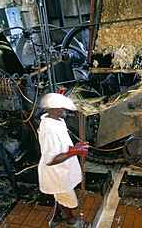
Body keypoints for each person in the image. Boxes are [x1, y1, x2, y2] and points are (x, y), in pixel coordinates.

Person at [38, 93, 91, 228]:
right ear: (55, 109)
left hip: (62, 170)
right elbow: (50, 159)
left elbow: (61, 145)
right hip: (56, 172)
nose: (66, 111)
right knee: (67, 198)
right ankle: (70, 221)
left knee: (60, 195)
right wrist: (75, 151)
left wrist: (74, 148)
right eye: (64, 108)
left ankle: (55, 218)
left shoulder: (56, 120)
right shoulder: (49, 129)